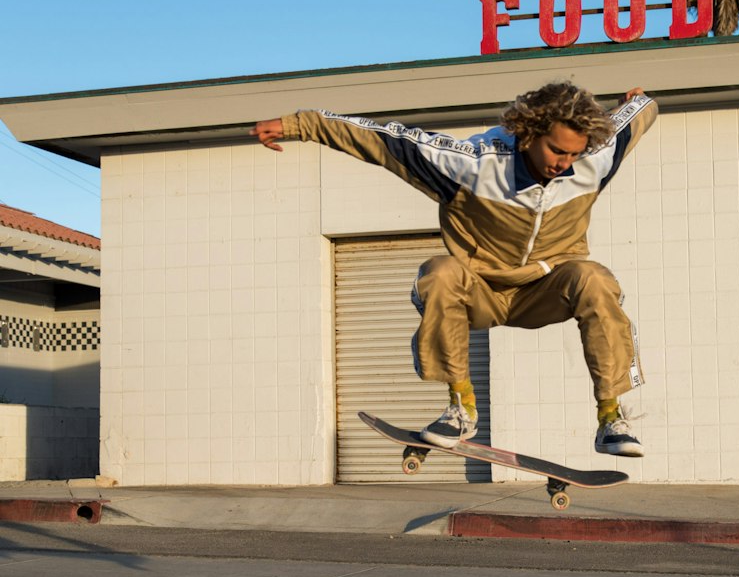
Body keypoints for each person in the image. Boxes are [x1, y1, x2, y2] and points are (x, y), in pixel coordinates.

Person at [252, 81, 657, 457]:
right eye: (556, 151)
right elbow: (381, 140)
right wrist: (298, 124)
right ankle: (460, 406)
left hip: (546, 289)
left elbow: (640, 115)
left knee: (596, 279)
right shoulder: (471, 164)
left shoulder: (594, 158)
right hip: (478, 289)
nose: (564, 164)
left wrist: (632, 103)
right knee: (440, 272)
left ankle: (609, 418)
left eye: (573, 153)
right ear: (529, 133)